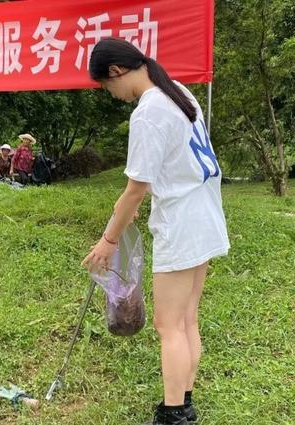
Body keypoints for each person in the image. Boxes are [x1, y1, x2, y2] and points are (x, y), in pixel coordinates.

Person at [81, 38, 229, 425]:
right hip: (205, 215)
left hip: (181, 223)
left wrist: (108, 241)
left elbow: (136, 188)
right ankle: (185, 402)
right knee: (186, 319)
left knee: (168, 325)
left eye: (106, 86)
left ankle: (174, 413)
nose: (112, 95)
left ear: (116, 72)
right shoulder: (177, 91)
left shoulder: (149, 112)